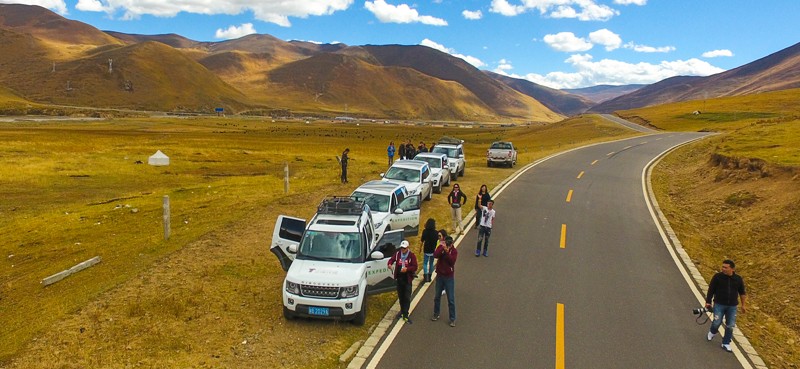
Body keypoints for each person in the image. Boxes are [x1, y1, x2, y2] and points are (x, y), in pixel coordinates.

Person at [705, 259, 747, 352]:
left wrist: (743, 305)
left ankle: (726, 343)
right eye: (722, 267)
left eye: (725, 267)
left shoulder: (738, 279)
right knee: (717, 322)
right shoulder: (717, 277)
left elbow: (742, 292)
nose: (723, 269)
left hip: (732, 306)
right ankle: (712, 331)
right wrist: (708, 301)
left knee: (730, 325)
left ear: (732, 269)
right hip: (719, 304)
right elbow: (711, 289)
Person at [388, 240, 418, 324]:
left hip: (407, 279)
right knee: (401, 297)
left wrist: (407, 269)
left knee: (407, 297)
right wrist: (389, 264)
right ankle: (402, 311)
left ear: (407, 248)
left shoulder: (411, 256)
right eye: (401, 248)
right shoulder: (398, 254)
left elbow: (415, 266)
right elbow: (391, 260)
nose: (403, 250)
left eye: (404, 248)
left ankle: (405, 314)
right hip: (400, 278)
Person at [432, 236, 458, 327]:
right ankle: (436, 313)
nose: (448, 245)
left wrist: (447, 253)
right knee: (437, 296)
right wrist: (442, 249)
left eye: (449, 244)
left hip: (449, 277)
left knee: (451, 299)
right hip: (440, 276)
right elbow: (435, 255)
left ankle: (452, 318)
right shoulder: (441, 247)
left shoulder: (454, 251)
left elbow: (452, 262)